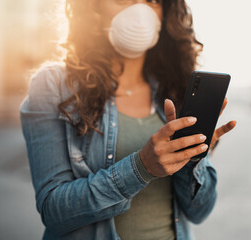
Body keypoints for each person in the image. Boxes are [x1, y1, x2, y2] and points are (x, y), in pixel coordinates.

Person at [20, 0, 236, 239]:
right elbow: (53, 210)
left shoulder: (179, 87)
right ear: (92, 8)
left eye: (152, 1)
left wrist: (194, 159)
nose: (139, 10)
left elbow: (199, 213)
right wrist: (141, 168)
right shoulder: (52, 85)